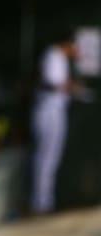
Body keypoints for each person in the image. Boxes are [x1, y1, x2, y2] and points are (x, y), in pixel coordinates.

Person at [30, 29, 80, 214]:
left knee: (51, 158)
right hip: (46, 111)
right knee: (45, 158)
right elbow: (51, 83)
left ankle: (45, 201)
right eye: (73, 44)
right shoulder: (51, 54)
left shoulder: (60, 57)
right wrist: (71, 86)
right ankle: (39, 203)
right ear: (66, 42)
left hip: (56, 110)